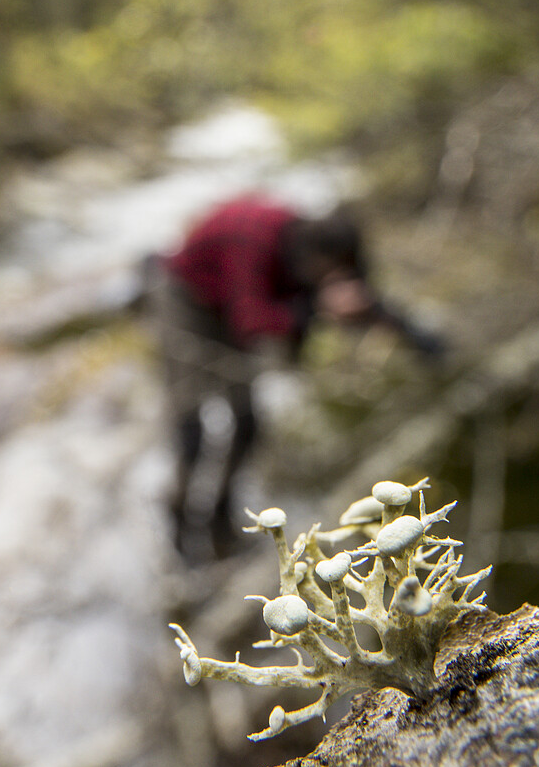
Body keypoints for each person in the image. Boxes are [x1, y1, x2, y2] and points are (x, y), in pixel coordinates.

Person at [150, 193, 443, 561]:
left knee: (246, 423)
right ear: (315, 259)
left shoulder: (317, 245)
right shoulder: (255, 241)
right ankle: (179, 526)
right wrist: (318, 309)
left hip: (227, 302)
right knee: (192, 425)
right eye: (331, 273)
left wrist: (413, 336)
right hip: (184, 299)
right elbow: (252, 321)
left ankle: (220, 519)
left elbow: (357, 299)